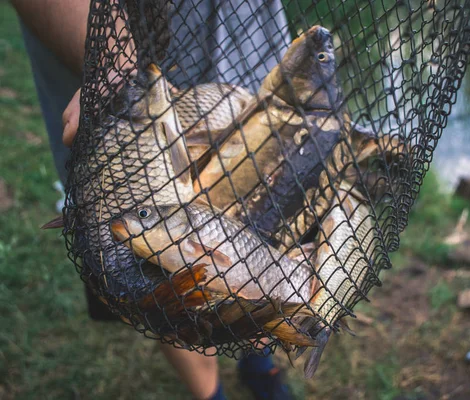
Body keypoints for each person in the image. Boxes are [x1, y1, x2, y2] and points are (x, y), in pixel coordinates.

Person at [10, 1, 294, 399]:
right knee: (170, 284)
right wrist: (110, 65)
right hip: (87, 32)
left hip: (237, 23)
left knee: (257, 227)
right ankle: (211, 393)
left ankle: (261, 363)